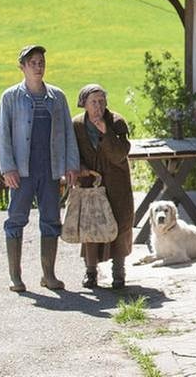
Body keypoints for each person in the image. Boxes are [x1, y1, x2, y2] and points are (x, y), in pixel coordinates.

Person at [0, 45, 80, 292]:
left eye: (41, 61)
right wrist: (7, 168)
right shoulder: (10, 97)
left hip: (50, 169)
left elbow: (67, 133)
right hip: (21, 172)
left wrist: (71, 165)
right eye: (32, 62)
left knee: (51, 220)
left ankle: (49, 275)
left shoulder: (57, 97)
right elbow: (3, 135)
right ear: (22, 67)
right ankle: (15, 276)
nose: (38, 66)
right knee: (16, 219)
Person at [72, 84, 134, 289]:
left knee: (120, 223)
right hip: (90, 183)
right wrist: (79, 168)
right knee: (91, 227)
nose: (98, 106)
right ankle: (90, 273)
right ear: (84, 104)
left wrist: (106, 133)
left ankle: (119, 273)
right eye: (93, 102)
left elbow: (119, 154)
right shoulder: (77, 125)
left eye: (101, 101)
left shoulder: (116, 122)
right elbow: (73, 153)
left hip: (116, 182)